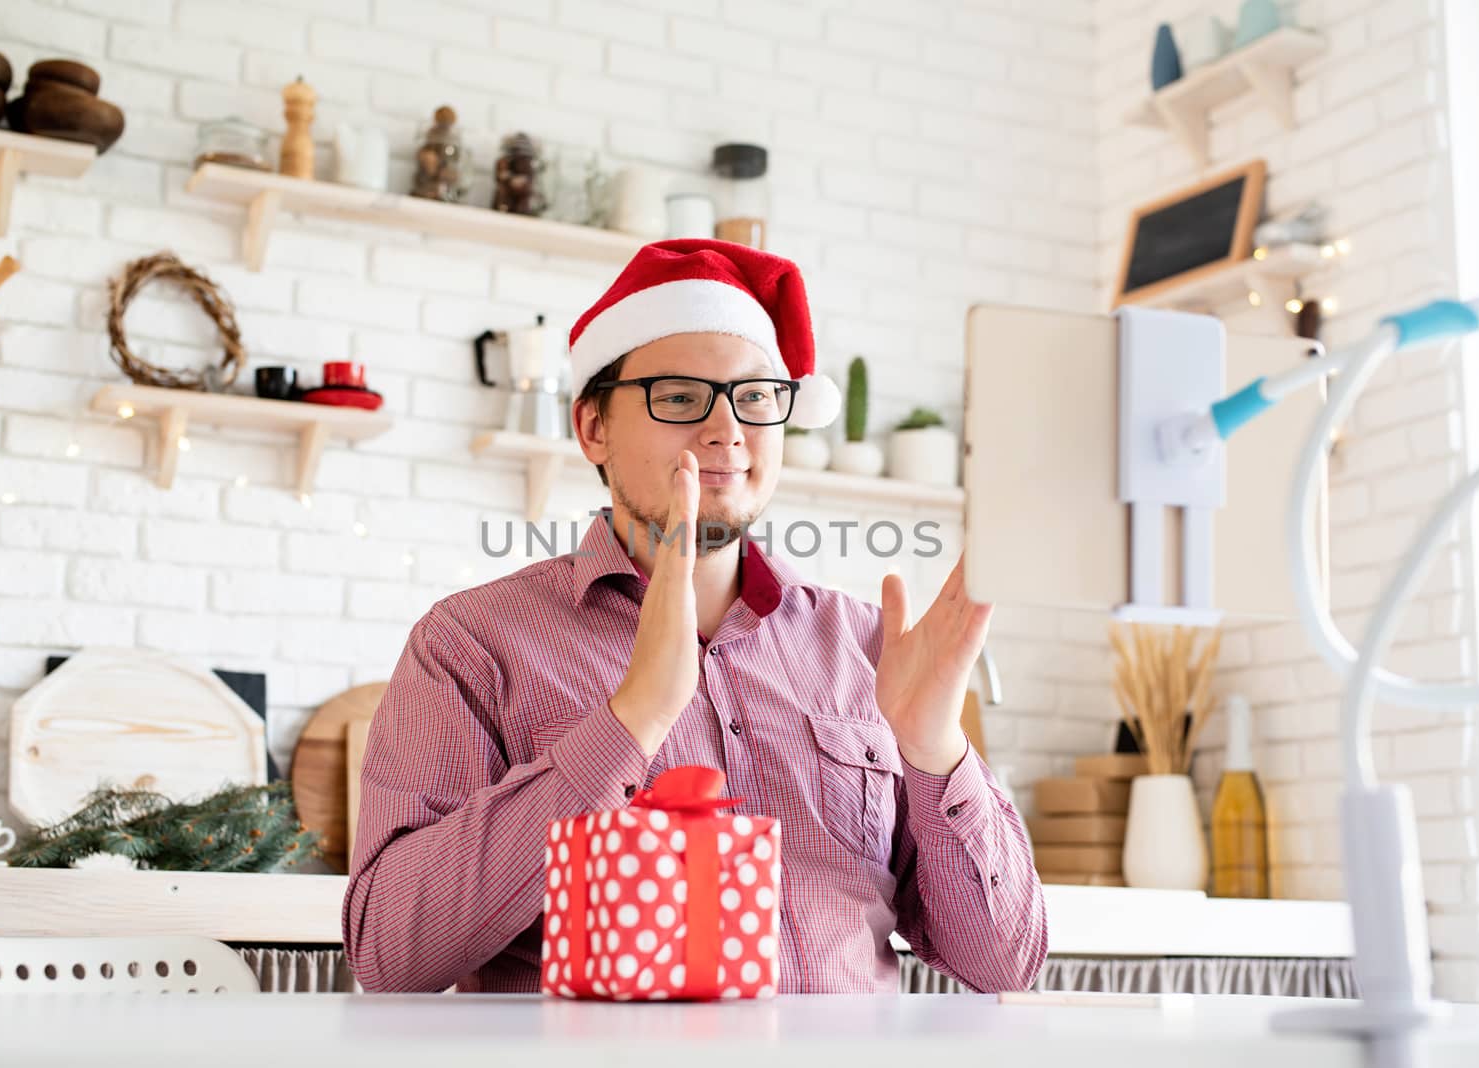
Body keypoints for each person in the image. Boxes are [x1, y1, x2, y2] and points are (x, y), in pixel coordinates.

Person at [342, 238, 1047, 994]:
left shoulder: (869, 649)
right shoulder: (472, 645)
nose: (727, 431)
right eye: (678, 398)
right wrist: (628, 722)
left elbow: (1003, 963)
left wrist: (936, 749)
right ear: (593, 430)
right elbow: (389, 954)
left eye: (754, 397)